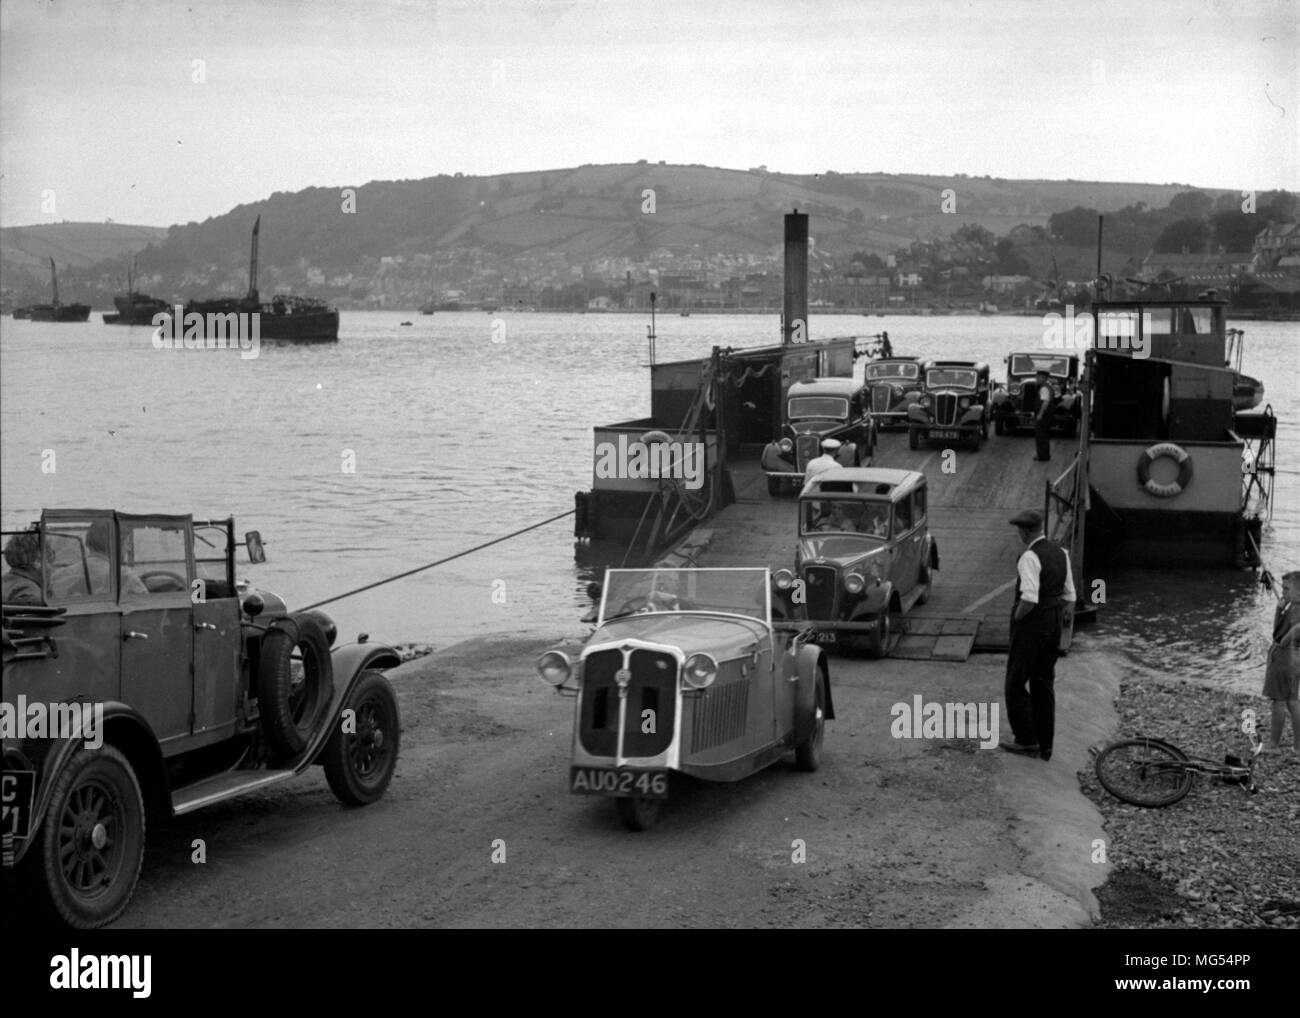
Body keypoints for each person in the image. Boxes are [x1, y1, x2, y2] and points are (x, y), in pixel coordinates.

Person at [1001, 509, 1076, 762]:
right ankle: (1046, 744)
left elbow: (1029, 598)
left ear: (1023, 532)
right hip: (1054, 621)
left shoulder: (1029, 557)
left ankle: (1026, 739)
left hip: (1031, 624)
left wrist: (1016, 618)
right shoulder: (1061, 553)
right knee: (1044, 682)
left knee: (1015, 681)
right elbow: (1070, 597)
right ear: (1041, 527)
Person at [1263, 571, 1300, 754]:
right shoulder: (1294, 607)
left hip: (1284, 658)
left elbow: (1277, 634)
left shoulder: (1294, 610)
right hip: (1296, 659)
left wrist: (1286, 638)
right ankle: (1298, 746)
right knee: (1293, 701)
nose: (1283, 591)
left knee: (1278, 701)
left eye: (1286, 588)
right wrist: (1280, 608)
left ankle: (1273, 745)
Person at [2, 531, 46, 605]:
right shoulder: (32, 595)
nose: (51, 568)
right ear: (37, 561)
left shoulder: (5, 581)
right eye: (50, 561)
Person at [1032, 369, 1053, 462]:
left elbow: (1045, 402)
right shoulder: (1048, 387)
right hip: (1047, 415)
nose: (1036, 379)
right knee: (1044, 435)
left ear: (1043, 378)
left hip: (1044, 416)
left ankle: (1042, 455)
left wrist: (1040, 414)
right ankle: (1044, 454)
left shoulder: (1044, 388)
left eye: (1038, 377)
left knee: (1041, 436)